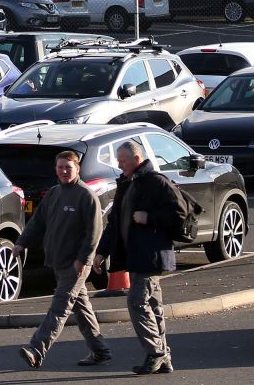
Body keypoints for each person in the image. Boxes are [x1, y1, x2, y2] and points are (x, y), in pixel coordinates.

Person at [93, 140, 186, 375]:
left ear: (136, 159)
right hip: (135, 256)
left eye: (122, 160)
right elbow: (115, 223)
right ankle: (163, 356)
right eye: (118, 159)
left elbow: (180, 213)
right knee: (153, 306)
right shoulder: (126, 183)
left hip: (151, 255)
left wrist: (149, 218)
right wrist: (102, 251)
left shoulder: (156, 182)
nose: (118, 164)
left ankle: (156, 353)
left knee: (136, 302)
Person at [13, 150, 110, 369]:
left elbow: (94, 231)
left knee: (59, 307)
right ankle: (100, 350)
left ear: (77, 168)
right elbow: (37, 222)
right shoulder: (54, 193)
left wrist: (83, 259)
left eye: (68, 167)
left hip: (75, 264)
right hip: (57, 260)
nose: (64, 171)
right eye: (60, 167)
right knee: (81, 309)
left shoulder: (86, 196)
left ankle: (36, 349)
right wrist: (21, 242)